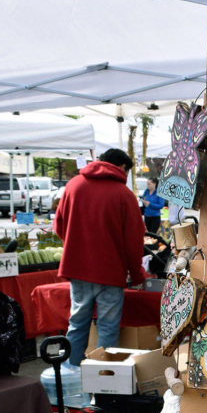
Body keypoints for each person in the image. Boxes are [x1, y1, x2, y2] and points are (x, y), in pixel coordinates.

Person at [54, 148, 146, 367]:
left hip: (78, 269)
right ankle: (103, 384)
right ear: (122, 167)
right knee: (108, 328)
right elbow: (134, 242)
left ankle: (71, 377)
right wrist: (137, 274)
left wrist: (78, 246)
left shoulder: (74, 185)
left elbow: (58, 226)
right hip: (110, 273)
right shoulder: (124, 194)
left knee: (77, 324)